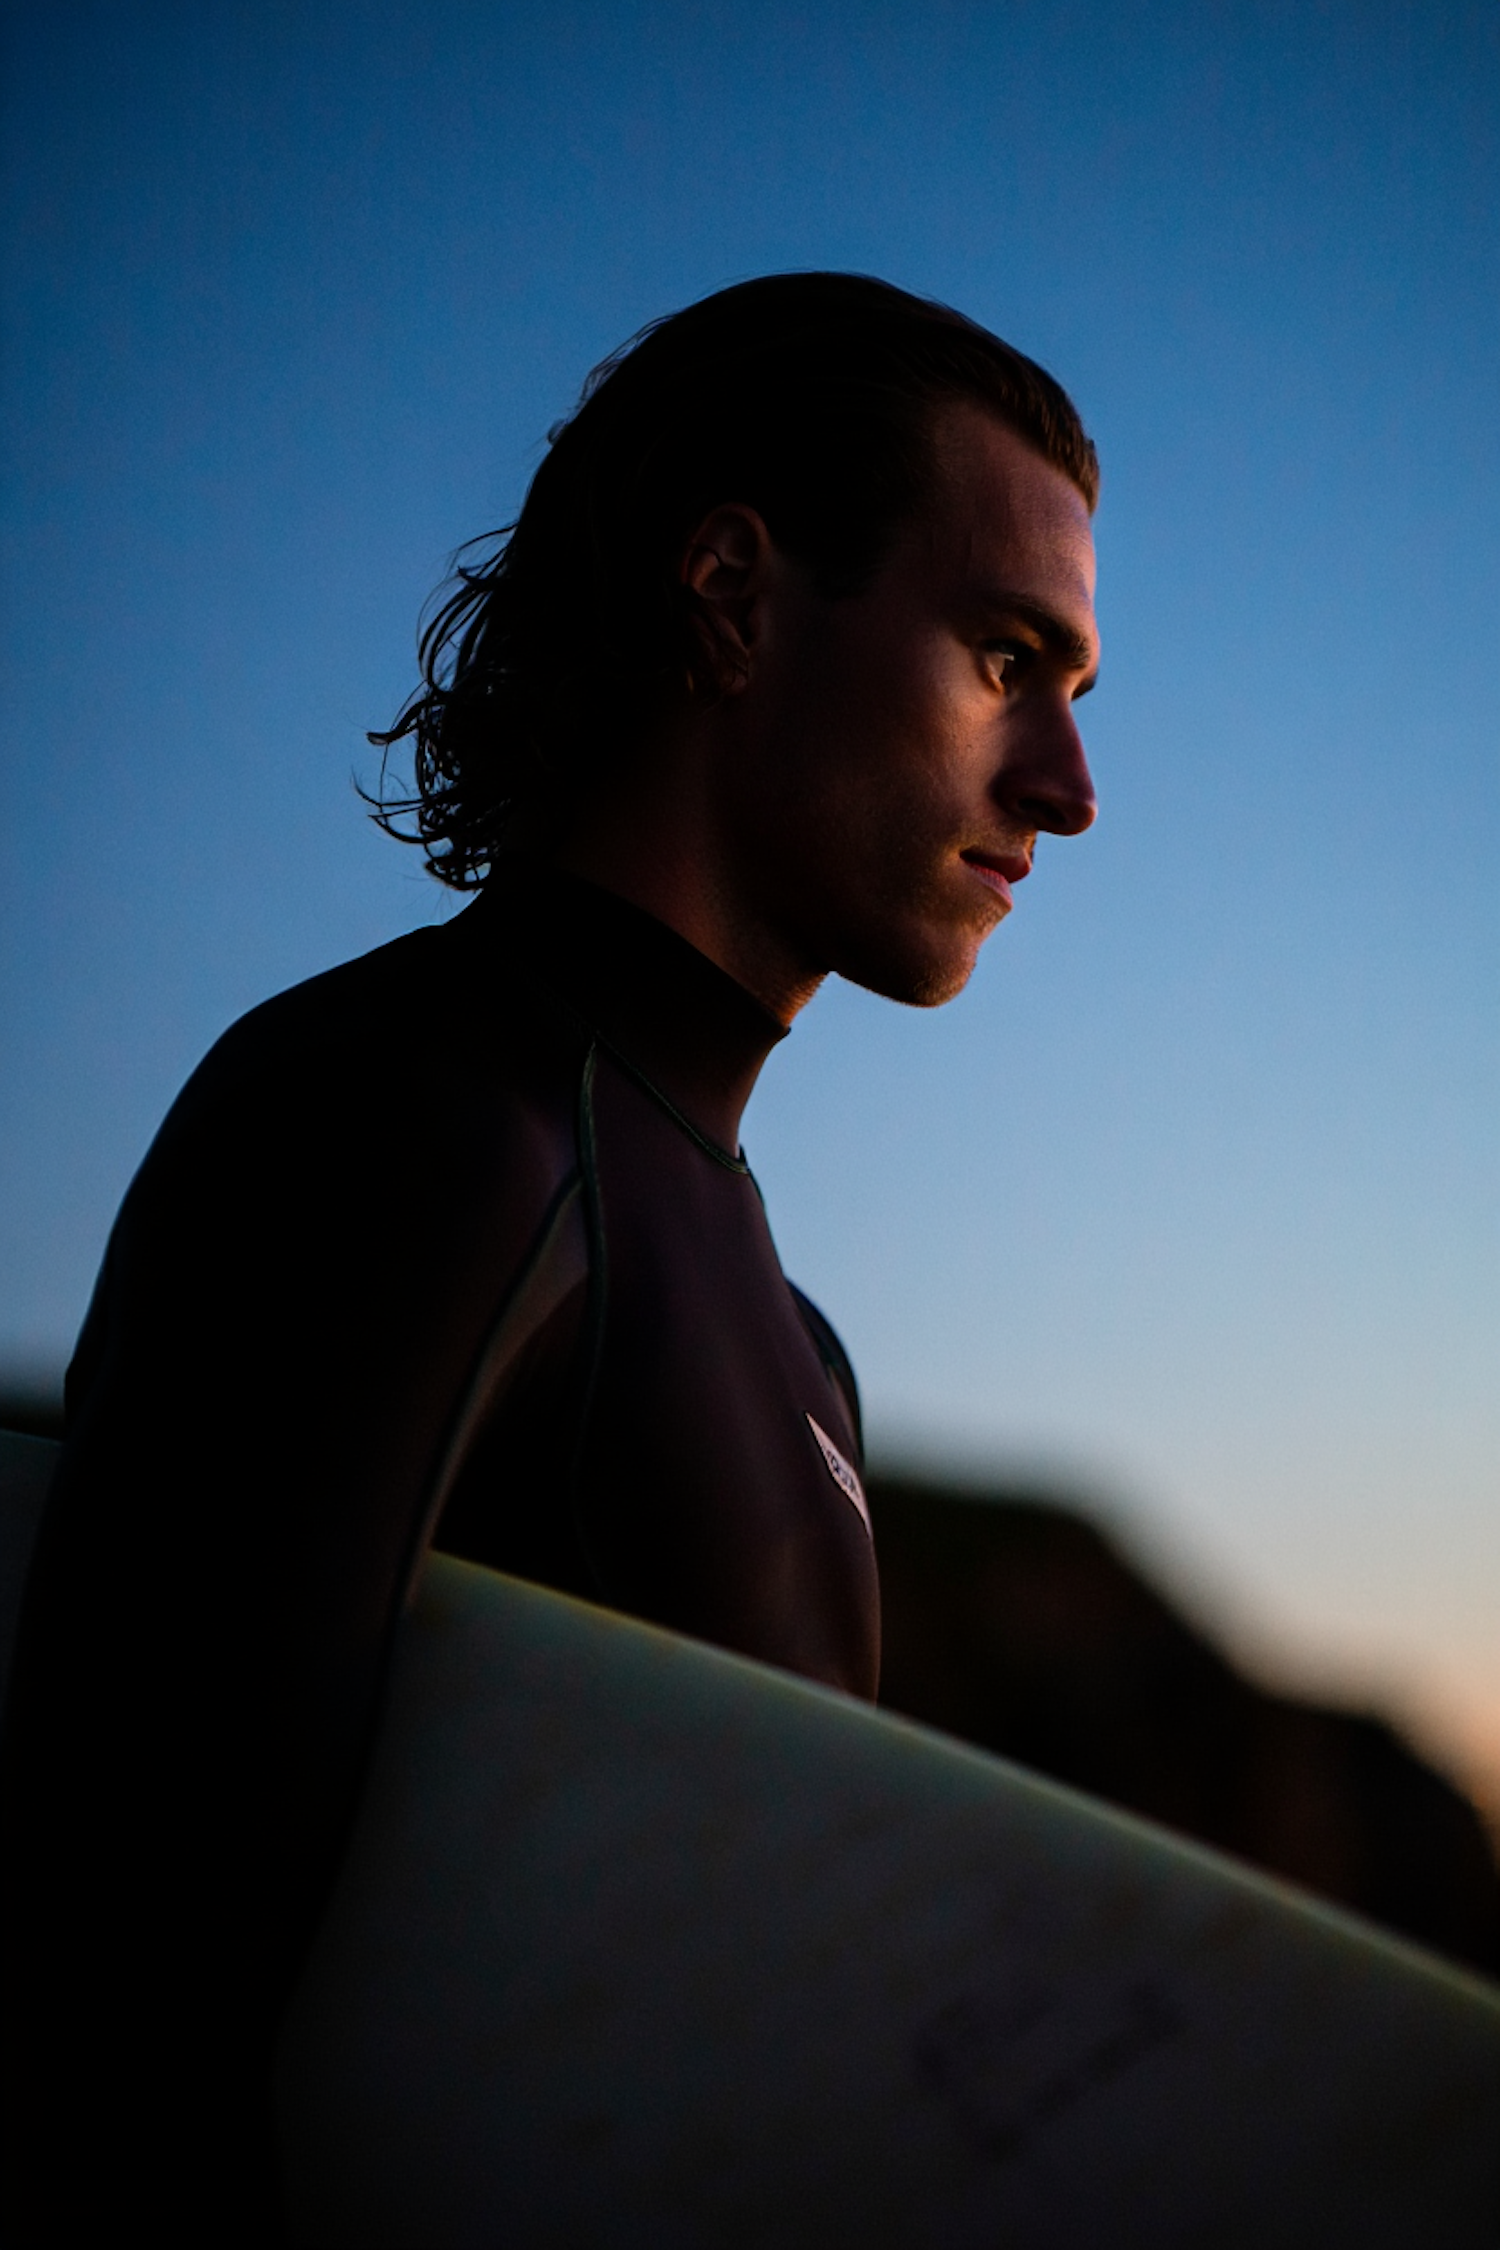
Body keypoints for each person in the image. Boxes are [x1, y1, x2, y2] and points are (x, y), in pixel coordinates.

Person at [0, 272, 1099, 2239]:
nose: (1068, 792)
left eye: (1074, 696)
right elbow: (105, 2024)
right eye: (1006, 659)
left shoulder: (798, 1347)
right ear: (736, 596)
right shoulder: (407, 1123)